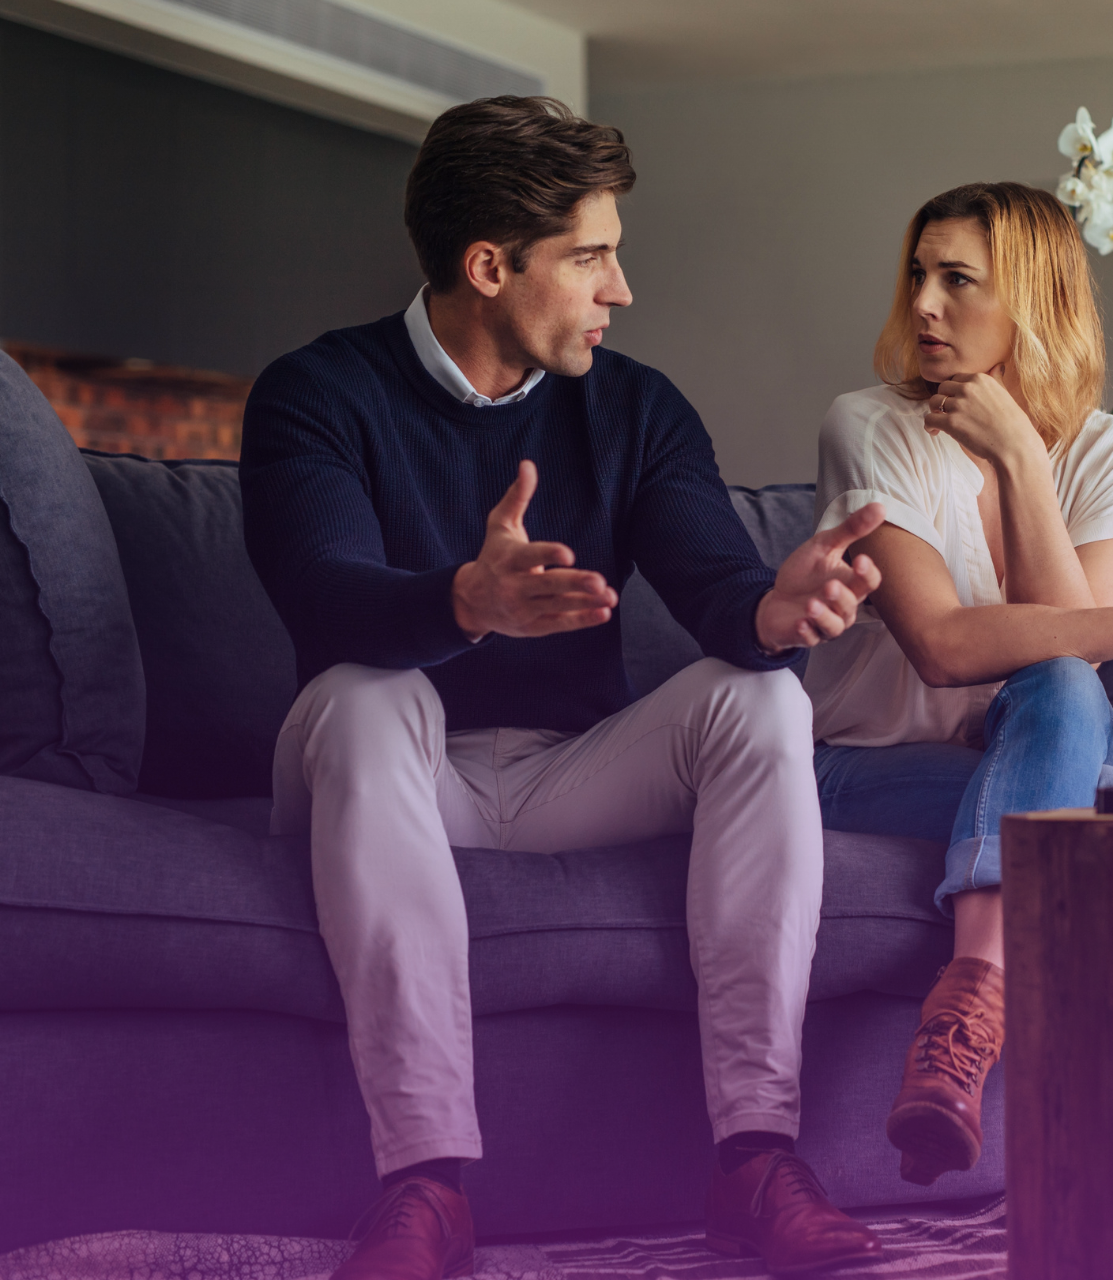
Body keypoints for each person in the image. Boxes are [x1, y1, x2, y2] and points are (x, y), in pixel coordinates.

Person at [241, 96, 889, 1280]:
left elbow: (715, 586)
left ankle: (755, 1156)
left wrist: (772, 613)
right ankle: (424, 1186)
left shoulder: (635, 406)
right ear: (491, 266)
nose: (620, 289)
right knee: (369, 692)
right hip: (389, 771)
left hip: (569, 771)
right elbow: (322, 592)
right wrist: (461, 602)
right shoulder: (316, 393)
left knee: (764, 702)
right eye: (592, 256)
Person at [803, 182, 1113, 1184]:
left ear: (1030, 299)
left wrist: (1027, 461)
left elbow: (1063, 659)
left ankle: (968, 1009)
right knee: (1097, 814)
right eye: (918, 275)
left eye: (958, 280)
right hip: (858, 764)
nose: (926, 305)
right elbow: (942, 643)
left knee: (1066, 706)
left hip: (1023, 757)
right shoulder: (868, 425)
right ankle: (1029, 1044)